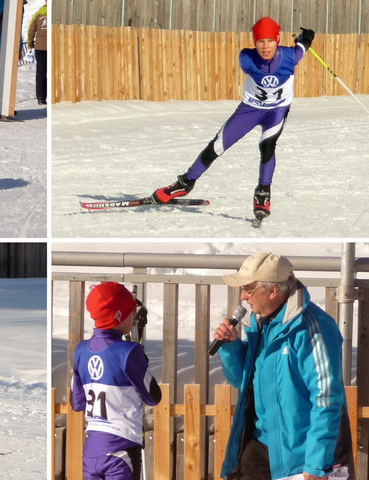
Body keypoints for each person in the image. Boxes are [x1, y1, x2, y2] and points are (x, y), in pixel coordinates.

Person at [151, 18, 315, 221]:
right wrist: (305, 39)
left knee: (267, 146)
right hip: (250, 109)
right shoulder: (246, 58)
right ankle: (185, 183)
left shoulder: (291, 56)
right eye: (260, 41)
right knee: (217, 146)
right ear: (254, 43)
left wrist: (307, 35)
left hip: (277, 111)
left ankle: (263, 192)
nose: (265, 47)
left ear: (278, 40)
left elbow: (303, 46)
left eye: (270, 41)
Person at [213, 253, 355, 480]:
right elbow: (244, 383)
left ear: (272, 291)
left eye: (248, 289)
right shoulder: (260, 323)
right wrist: (230, 348)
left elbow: (326, 398)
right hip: (260, 446)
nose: (242, 297)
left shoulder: (313, 329)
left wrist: (317, 463)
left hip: (299, 458)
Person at [71, 282, 161, 480]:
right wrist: (141, 363)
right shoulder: (128, 352)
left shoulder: (80, 350)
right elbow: (153, 397)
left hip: (92, 450)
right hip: (121, 448)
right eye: (131, 312)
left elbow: (77, 403)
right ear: (119, 315)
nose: (133, 317)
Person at [27, 1, 47, 105]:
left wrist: (30, 44)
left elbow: (31, 30)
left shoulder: (38, 14)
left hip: (40, 47)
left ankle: (40, 97)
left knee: (40, 73)